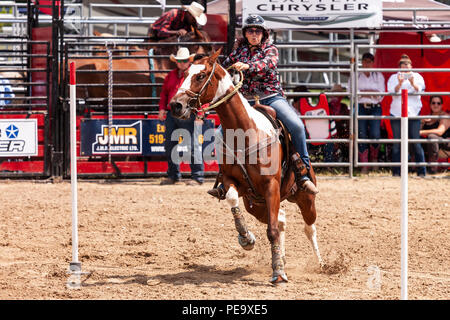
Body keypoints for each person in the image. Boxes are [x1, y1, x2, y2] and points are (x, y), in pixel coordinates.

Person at [207, 14, 318, 199]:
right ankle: (223, 178)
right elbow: (224, 68)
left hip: (271, 98)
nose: (254, 34)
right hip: (247, 101)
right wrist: (213, 64)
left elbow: (267, 64)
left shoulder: (271, 49)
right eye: (250, 30)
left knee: (297, 126)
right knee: (220, 134)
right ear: (245, 33)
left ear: (263, 33)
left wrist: (247, 66)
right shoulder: (238, 51)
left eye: (257, 31)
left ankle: (303, 173)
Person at [158, 47, 204, 185]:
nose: (182, 63)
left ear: (189, 61)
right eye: (179, 61)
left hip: (189, 113)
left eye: (184, 61)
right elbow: (164, 94)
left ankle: (197, 177)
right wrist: (161, 109)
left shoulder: (195, 75)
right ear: (176, 62)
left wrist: (200, 114)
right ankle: (173, 175)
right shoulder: (171, 76)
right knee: (170, 145)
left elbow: (202, 94)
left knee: (193, 145)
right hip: (173, 113)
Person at [387, 54, 426, 177]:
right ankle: (397, 172)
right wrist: (399, 84)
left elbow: (421, 90)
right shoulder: (394, 77)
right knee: (397, 143)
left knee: (415, 141)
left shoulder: (418, 76)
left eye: (408, 64)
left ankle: (421, 172)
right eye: (403, 64)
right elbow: (391, 92)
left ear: (411, 65)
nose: (406, 66)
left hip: (413, 112)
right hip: (397, 113)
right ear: (399, 67)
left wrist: (413, 82)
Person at [352, 52, 385, 173]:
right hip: (361, 106)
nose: (367, 63)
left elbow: (380, 95)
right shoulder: (356, 75)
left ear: (373, 63)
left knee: (375, 133)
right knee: (361, 134)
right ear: (362, 62)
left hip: (375, 106)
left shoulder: (378, 75)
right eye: (365, 61)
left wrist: (362, 93)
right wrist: (371, 93)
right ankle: (364, 163)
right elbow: (352, 93)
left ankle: (374, 159)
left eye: (370, 61)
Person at [420, 96, 450, 174]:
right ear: (430, 105)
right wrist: (422, 122)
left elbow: (440, 131)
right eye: (433, 103)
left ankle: (432, 169)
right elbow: (416, 132)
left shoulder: (445, 116)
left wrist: (422, 132)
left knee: (432, 137)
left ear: (442, 105)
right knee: (414, 138)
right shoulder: (427, 117)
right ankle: (415, 168)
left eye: (438, 103)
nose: (435, 105)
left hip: (445, 143)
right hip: (430, 144)